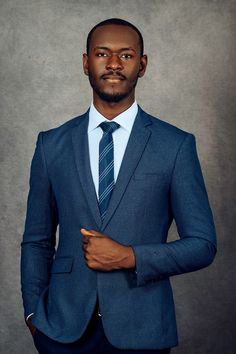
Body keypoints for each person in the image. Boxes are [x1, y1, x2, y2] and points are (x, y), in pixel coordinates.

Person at [21, 18, 217, 354]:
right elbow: (37, 241)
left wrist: (130, 257)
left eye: (126, 55)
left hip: (142, 329)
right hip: (61, 330)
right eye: (102, 53)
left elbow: (202, 245)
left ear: (142, 65)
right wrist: (33, 315)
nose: (113, 64)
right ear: (86, 63)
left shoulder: (176, 146)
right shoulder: (51, 145)